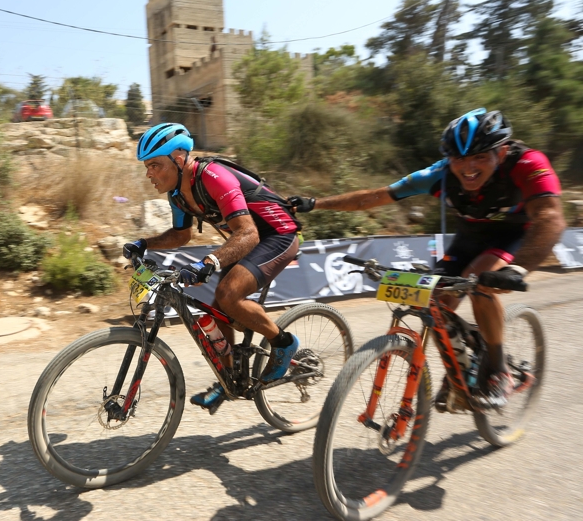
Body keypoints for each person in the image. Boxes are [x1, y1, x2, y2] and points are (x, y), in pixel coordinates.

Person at [289, 108, 566, 409]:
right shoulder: (439, 174)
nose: (468, 167)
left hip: (513, 236)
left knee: (480, 283)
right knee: (435, 301)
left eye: (479, 157)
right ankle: (460, 368)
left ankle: (499, 370)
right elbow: (374, 197)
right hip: (469, 236)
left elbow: (550, 217)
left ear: (501, 152)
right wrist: (315, 203)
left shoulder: (527, 163)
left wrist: (518, 269)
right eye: (458, 158)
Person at [123, 123, 302, 414]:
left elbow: (249, 233)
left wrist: (210, 262)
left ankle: (283, 342)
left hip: (276, 235)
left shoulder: (213, 176)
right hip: (245, 240)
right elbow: (181, 235)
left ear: (178, 159)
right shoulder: (177, 194)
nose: (149, 174)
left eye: (155, 165)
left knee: (229, 294)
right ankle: (228, 379)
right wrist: (144, 244)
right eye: (147, 167)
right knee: (218, 310)